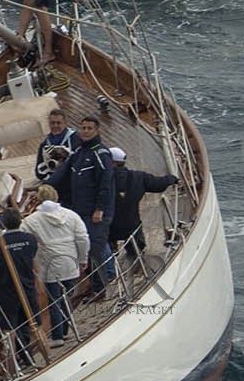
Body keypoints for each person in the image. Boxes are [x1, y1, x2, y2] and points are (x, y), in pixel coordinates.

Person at [49, 115, 115, 295]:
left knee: (95, 250)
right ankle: (94, 286)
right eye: (83, 128)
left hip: (96, 213)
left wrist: (100, 208)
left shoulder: (101, 154)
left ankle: (101, 290)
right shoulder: (78, 153)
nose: (85, 131)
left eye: (89, 128)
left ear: (97, 130)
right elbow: (61, 174)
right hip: (80, 211)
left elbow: (106, 183)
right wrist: (45, 188)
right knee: (84, 249)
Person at [22, 185, 89, 344]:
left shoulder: (31, 221)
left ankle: (58, 336)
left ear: (39, 199)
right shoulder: (71, 215)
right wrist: (82, 259)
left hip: (48, 263)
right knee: (67, 296)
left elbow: (23, 238)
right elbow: (82, 238)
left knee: (54, 299)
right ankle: (65, 330)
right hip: (70, 261)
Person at [0, 205, 41, 368]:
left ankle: (16, 364)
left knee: (10, 328)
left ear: (3, 224)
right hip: (27, 286)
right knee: (32, 323)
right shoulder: (30, 239)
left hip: (6, 290)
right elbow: (32, 256)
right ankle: (31, 357)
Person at [107, 149, 180, 261]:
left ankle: (111, 264)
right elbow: (158, 184)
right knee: (136, 251)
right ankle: (137, 266)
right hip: (131, 226)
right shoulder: (138, 177)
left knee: (105, 251)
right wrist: (172, 179)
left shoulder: (101, 180)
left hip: (109, 227)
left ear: (112, 163)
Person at [35, 106, 79, 182]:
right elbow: (39, 173)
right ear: (49, 124)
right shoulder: (45, 145)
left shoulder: (75, 139)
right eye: (52, 123)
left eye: (58, 123)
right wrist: (48, 164)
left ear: (65, 124)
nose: (55, 126)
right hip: (55, 180)